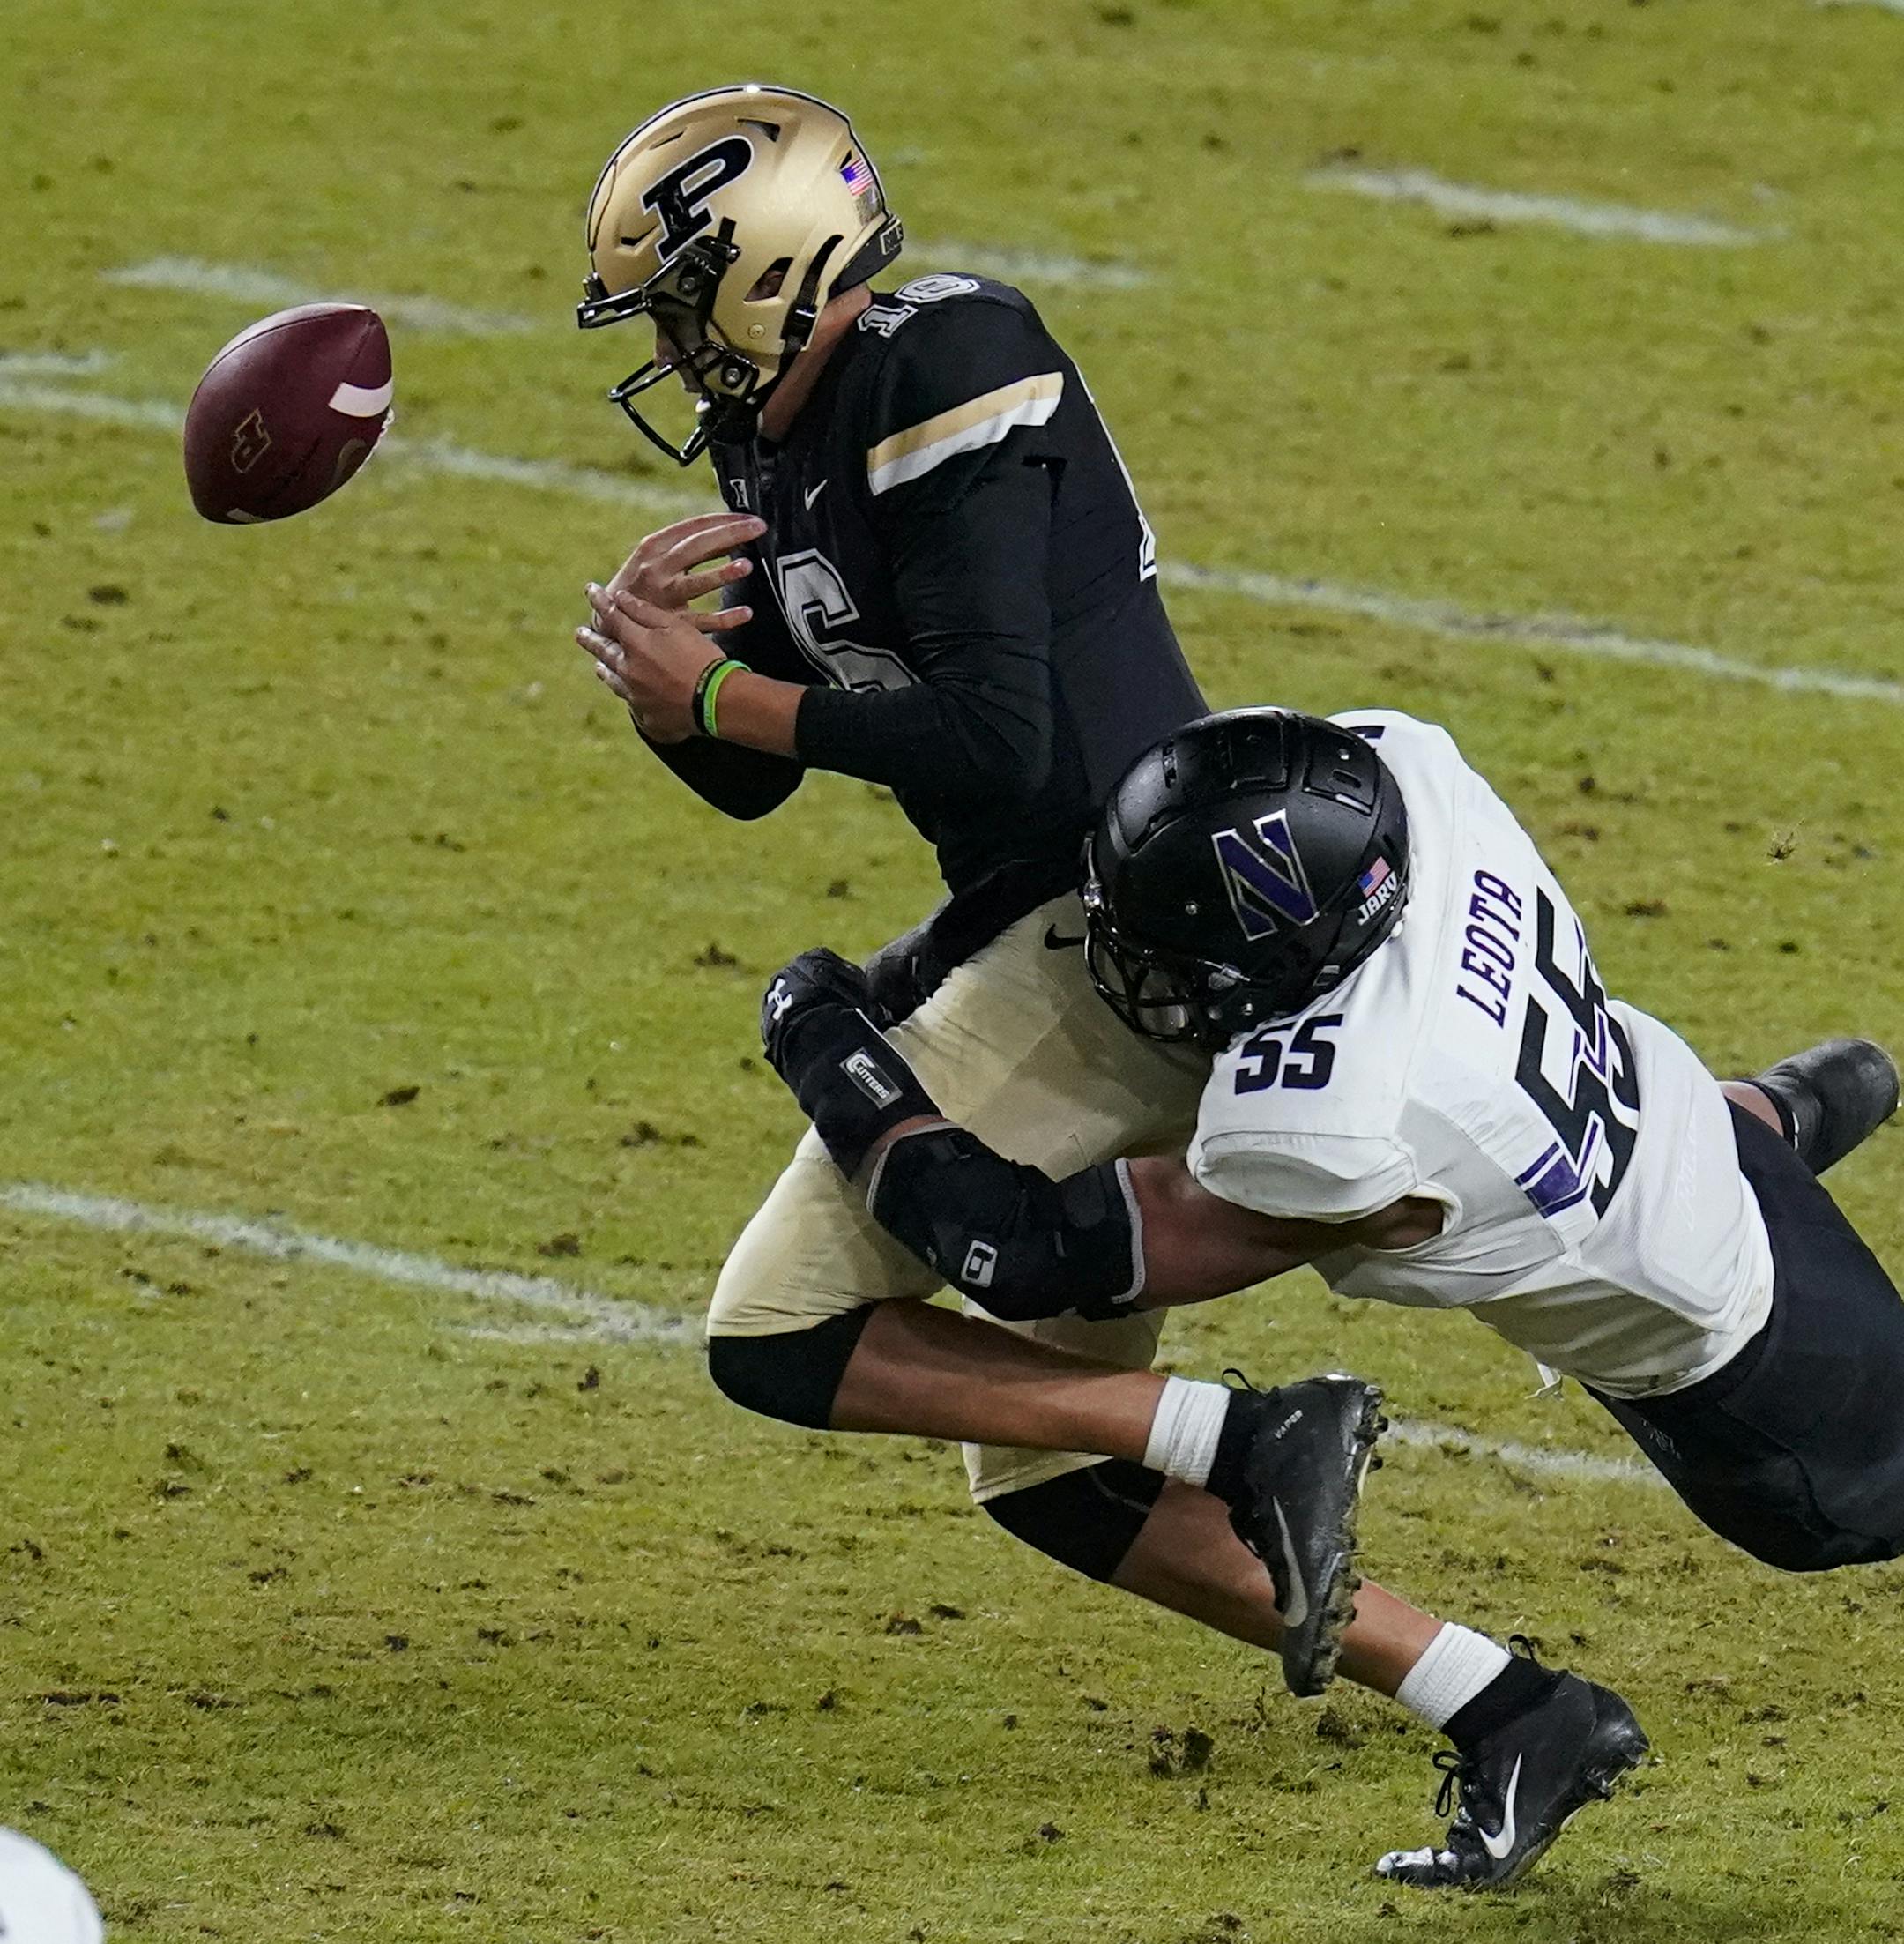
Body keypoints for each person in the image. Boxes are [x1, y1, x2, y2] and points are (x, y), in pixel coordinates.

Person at [758, 704, 1901, 1888]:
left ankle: (1770, 1144)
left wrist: (830, 1053)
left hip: (1760, 1384)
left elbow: (1024, 1247)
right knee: (1638, 1154)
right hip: (1650, 1113)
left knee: (1851, 1497)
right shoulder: (1401, 774)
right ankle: (1776, 1121)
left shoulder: (1345, 1119)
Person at [568, 85, 1396, 1694]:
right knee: (1049, 1467)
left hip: (1128, 933)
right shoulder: (783, 422)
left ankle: (1244, 1426)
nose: (668, 348)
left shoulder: (947, 363)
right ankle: (1501, 1697)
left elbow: (1000, 742)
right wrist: (673, 694)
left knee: (779, 1329)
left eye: (679, 302)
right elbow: (769, 769)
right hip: (1086, 920)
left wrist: (728, 696)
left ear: (769, 270)